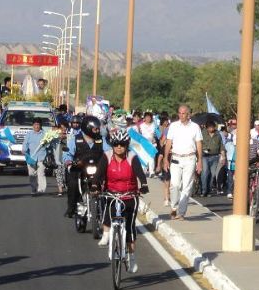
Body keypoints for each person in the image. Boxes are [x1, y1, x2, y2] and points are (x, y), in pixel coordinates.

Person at [96, 129, 149, 273]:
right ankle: (107, 234)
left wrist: (143, 185)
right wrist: (95, 185)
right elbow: (99, 174)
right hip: (112, 194)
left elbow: (140, 174)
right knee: (108, 208)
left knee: (130, 227)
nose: (119, 147)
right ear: (112, 145)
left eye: (122, 144)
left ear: (127, 145)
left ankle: (132, 258)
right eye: (116, 144)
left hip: (130, 195)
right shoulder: (106, 156)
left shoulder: (132, 157)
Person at [161, 105, 203, 220]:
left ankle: (182, 212)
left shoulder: (195, 127)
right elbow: (168, 142)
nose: (181, 115)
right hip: (176, 158)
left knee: (187, 186)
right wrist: (165, 159)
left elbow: (199, 144)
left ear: (188, 114)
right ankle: (174, 207)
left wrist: (200, 161)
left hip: (190, 158)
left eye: (183, 113)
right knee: (174, 184)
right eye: (179, 113)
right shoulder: (173, 126)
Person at [63, 115, 109, 217]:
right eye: (95, 129)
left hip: (97, 168)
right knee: (73, 185)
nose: (97, 131)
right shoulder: (75, 139)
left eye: (98, 129)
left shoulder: (101, 139)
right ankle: (71, 208)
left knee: (109, 184)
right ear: (88, 128)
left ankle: (108, 207)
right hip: (79, 168)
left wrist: (111, 158)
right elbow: (67, 153)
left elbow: (108, 151)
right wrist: (68, 161)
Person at [22, 117, 48, 195]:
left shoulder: (45, 134)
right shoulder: (29, 134)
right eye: (35, 124)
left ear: (40, 126)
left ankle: (41, 190)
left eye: (38, 124)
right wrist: (24, 150)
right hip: (31, 157)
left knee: (41, 173)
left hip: (41, 157)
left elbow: (48, 145)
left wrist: (46, 143)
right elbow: (25, 143)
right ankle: (33, 189)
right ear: (33, 125)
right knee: (32, 174)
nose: (36, 126)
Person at [200, 120, 224, 197]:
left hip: (215, 156)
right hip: (204, 156)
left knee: (212, 174)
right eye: (209, 127)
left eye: (212, 127)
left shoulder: (218, 134)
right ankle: (203, 190)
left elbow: (221, 146)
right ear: (207, 128)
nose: (211, 129)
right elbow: (199, 144)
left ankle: (209, 190)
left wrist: (223, 156)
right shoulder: (202, 133)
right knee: (205, 173)